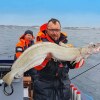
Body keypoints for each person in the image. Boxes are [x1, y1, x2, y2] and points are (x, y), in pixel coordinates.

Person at [32, 18, 85, 100]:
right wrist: (46, 59)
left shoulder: (66, 45)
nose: (55, 33)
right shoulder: (40, 45)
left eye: (57, 30)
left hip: (63, 87)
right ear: (47, 30)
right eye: (52, 30)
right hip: (44, 87)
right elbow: (35, 66)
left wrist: (81, 56)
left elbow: (73, 65)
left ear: (60, 30)